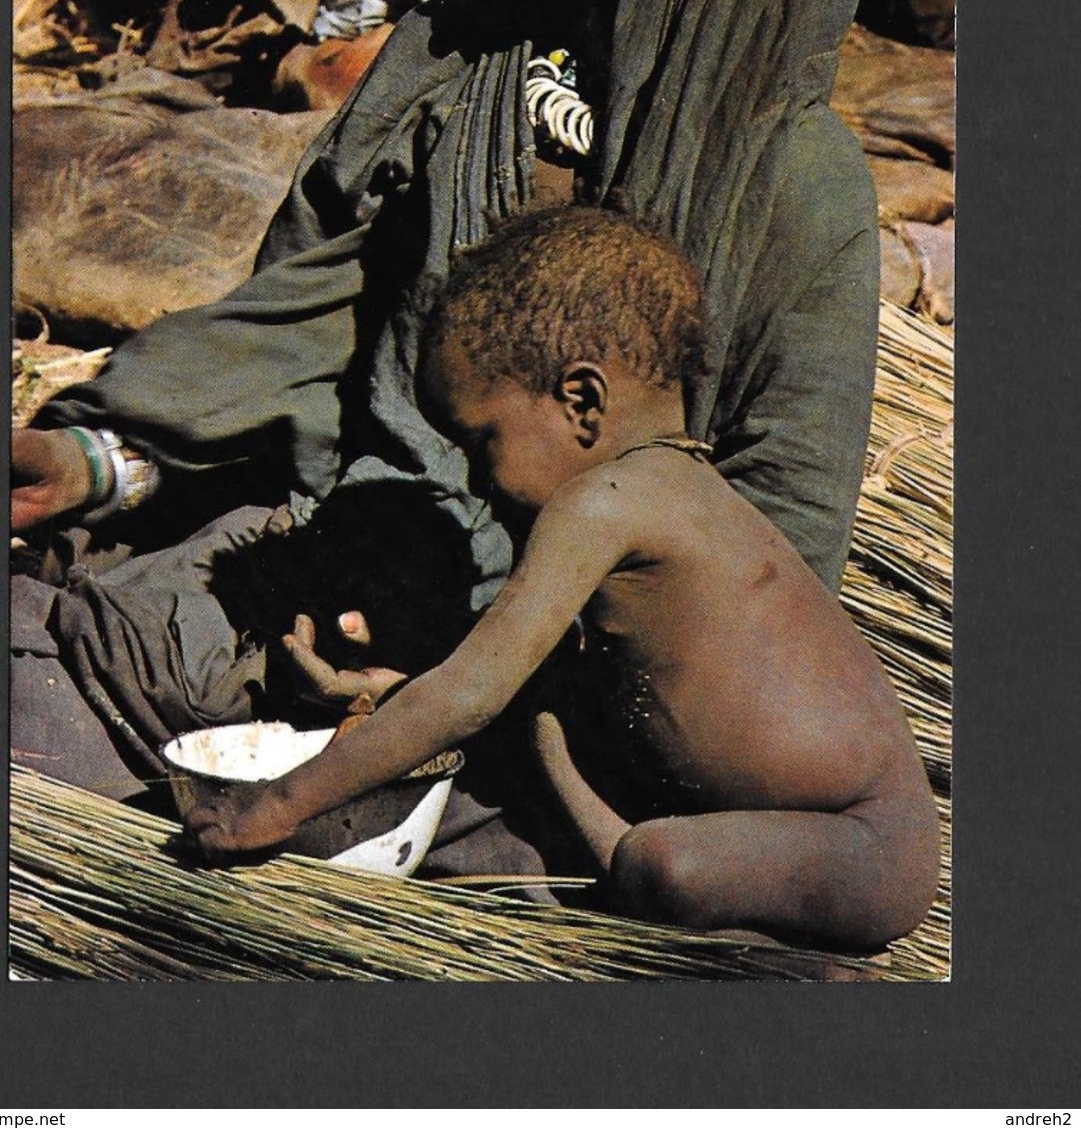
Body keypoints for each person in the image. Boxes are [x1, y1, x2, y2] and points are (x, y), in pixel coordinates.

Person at [11, 0, 880, 868]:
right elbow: (313, 327)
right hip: (350, 550)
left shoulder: (795, 186)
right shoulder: (452, 59)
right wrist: (106, 460)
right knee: (45, 663)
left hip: (568, 679)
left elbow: (777, 561)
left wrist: (478, 648)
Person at [185, 209, 939, 950]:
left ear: (580, 402)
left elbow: (467, 695)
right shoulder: (671, 487)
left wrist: (279, 803)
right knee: (550, 717)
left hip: (862, 847)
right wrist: (391, 699)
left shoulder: (602, 503)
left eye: (481, 441)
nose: (476, 483)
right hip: (801, 832)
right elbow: (492, 682)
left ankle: (748, 956)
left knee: (657, 861)